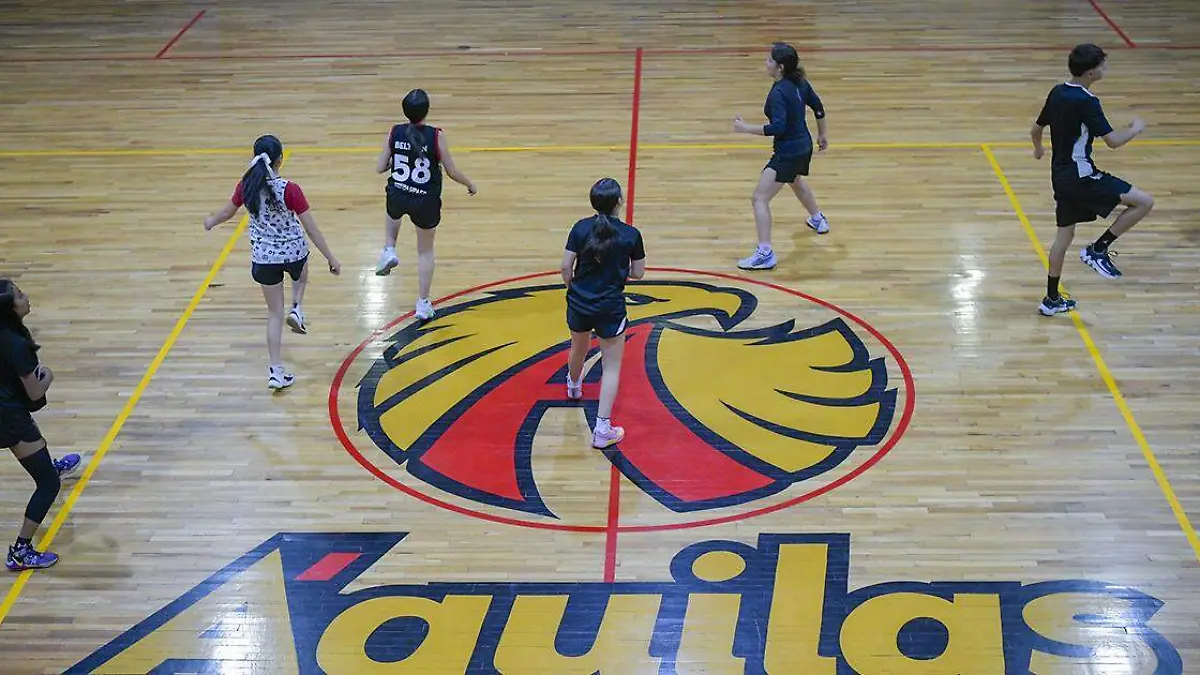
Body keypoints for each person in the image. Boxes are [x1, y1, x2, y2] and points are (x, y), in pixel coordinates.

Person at [204, 135, 341, 389]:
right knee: (302, 269)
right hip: (293, 253)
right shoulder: (290, 189)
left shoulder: (246, 185)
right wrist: (331, 257)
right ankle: (297, 306)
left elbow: (227, 212)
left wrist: (210, 222)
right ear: (280, 159)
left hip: (264, 259)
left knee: (274, 314)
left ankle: (276, 371)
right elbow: (312, 229)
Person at [1031, 42, 1154, 316]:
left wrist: (1038, 149)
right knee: (1144, 202)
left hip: (1060, 176)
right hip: (1082, 176)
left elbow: (1036, 128)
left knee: (1064, 236)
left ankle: (1051, 299)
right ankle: (1099, 249)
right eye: (1102, 65)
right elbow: (1113, 141)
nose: (1105, 69)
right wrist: (1134, 129)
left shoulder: (1058, 92)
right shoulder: (1087, 102)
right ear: (1090, 73)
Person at [374, 88, 477, 321]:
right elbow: (451, 171)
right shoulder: (436, 136)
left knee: (392, 212)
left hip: (398, 193)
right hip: (425, 199)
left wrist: (397, 160)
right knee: (425, 251)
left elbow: (380, 167)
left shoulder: (394, 132)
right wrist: (470, 184)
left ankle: (389, 249)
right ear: (426, 111)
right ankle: (422, 303)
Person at [0, 279, 81, 571]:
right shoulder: (17, 345)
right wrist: (48, 375)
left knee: (37, 454)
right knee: (48, 484)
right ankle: (21, 550)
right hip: (9, 417)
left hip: (7, 410)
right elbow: (35, 392)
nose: (26, 296)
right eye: (20, 295)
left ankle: (46, 462)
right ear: (11, 308)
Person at [560, 178, 646, 449]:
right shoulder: (631, 235)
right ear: (619, 202)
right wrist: (619, 272)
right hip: (610, 307)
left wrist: (574, 287)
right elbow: (638, 273)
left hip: (579, 302)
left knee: (578, 347)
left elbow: (565, 267)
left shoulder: (580, 228)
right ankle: (602, 429)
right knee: (611, 367)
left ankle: (574, 386)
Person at [732, 42, 830, 271]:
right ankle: (817, 218)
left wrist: (745, 128)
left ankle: (765, 253)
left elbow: (778, 127)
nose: (765, 63)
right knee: (795, 180)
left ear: (780, 67)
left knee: (759, 199)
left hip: (788, 151)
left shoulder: (777, 93)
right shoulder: (800, 82)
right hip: (803, 145)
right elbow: (818, 107)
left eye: (769, 60)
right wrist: (823, 134)